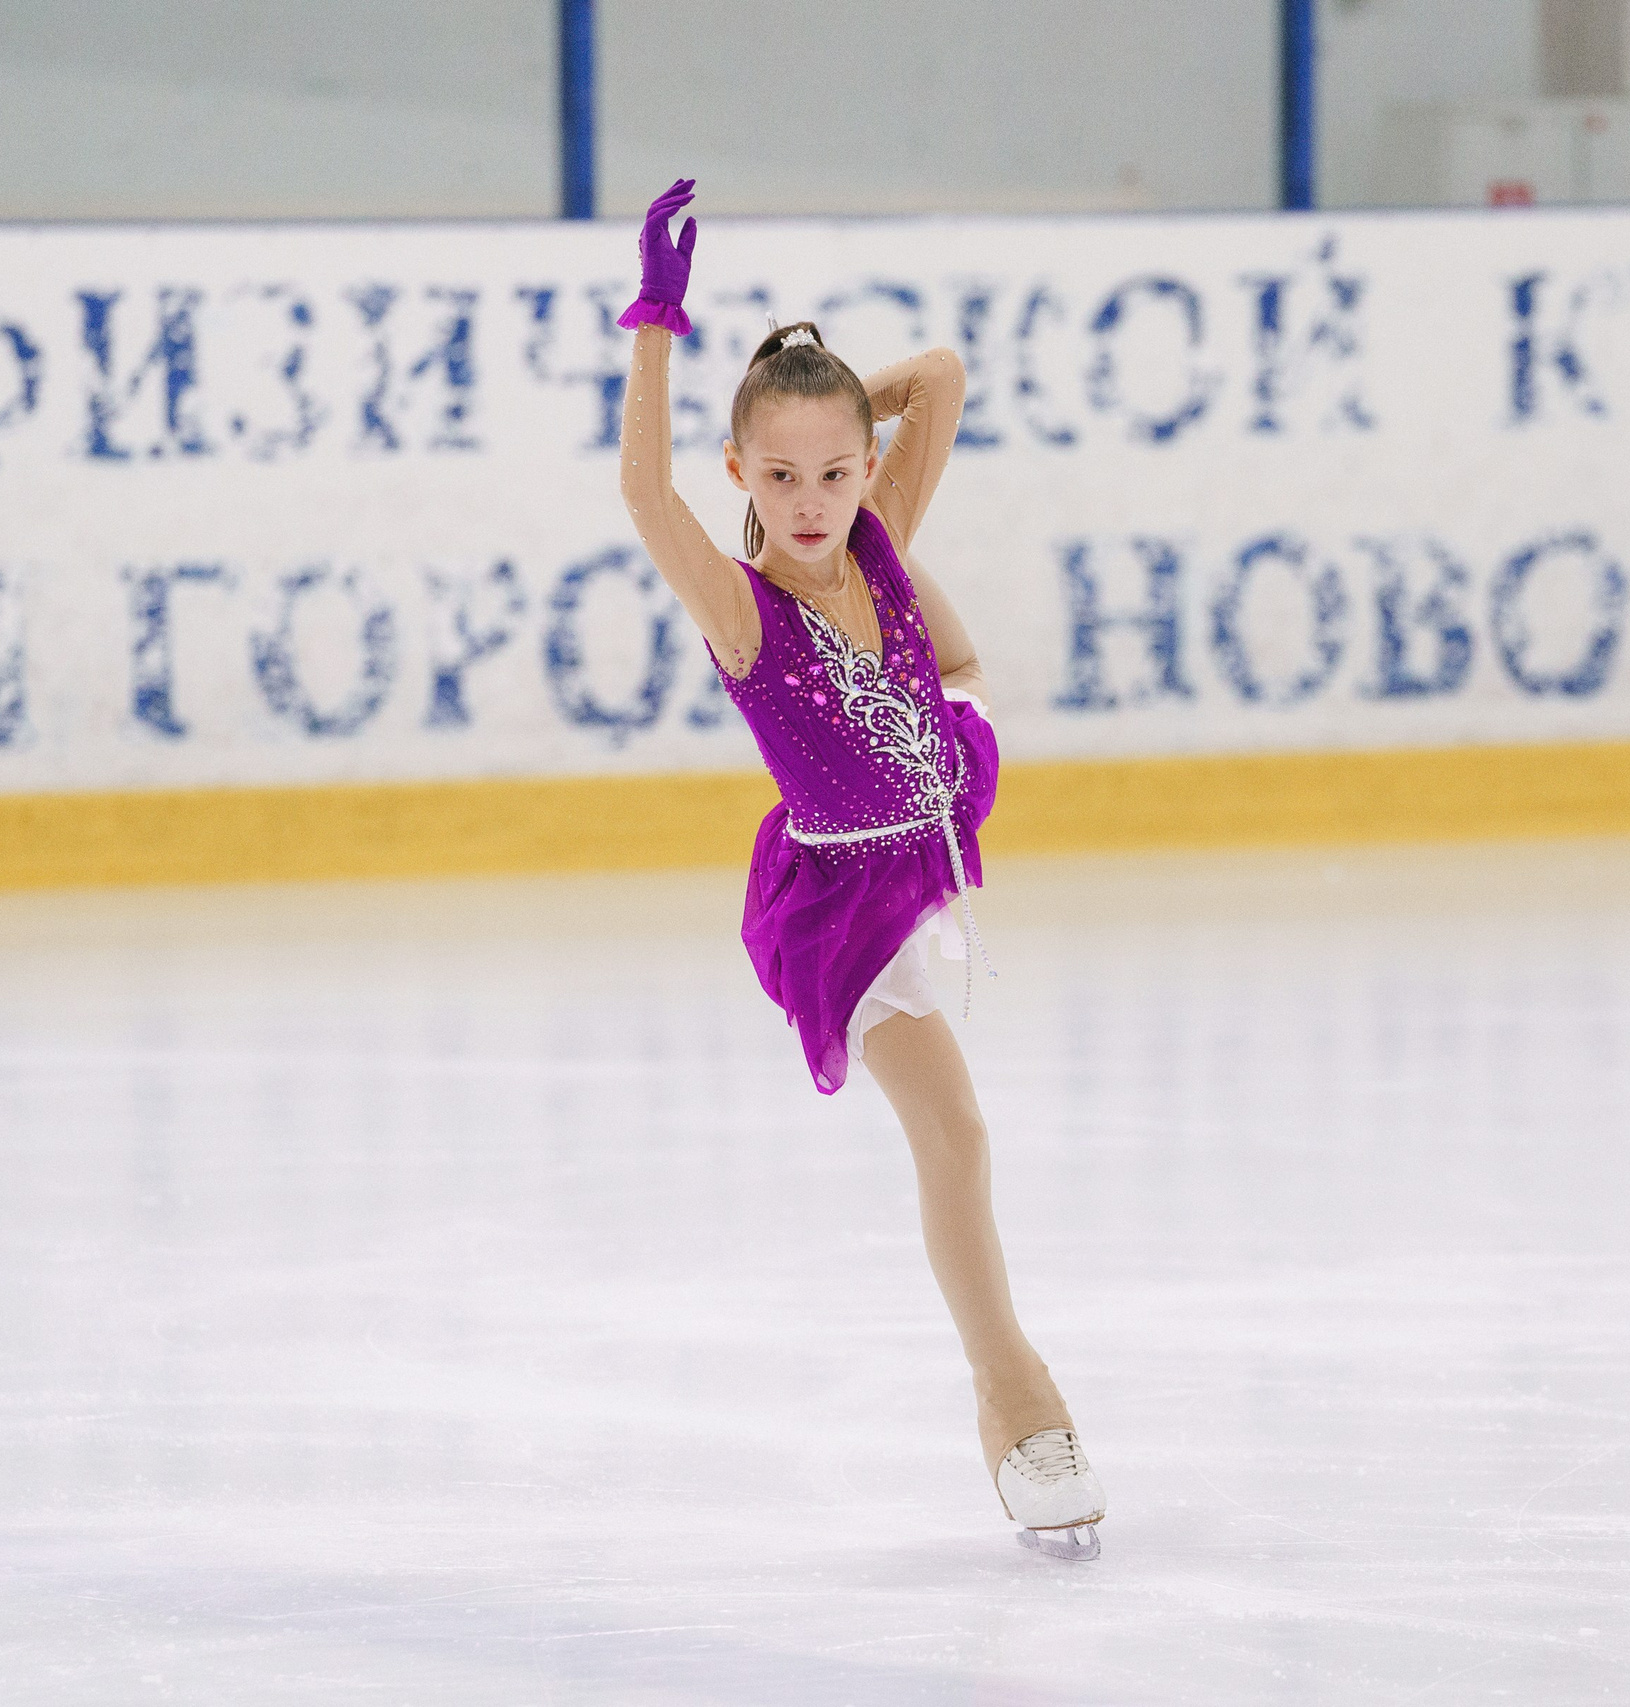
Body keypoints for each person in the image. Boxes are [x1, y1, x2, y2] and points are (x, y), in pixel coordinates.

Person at [614, 179, 1105, 1560]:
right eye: (777, 476)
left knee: (962, 1135)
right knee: (956, 1135)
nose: (815, 501)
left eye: (835, 472)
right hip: (842, 903)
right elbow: (643, 490)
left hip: (946, 770)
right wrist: (659, 323)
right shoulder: (742, 611)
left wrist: (820, 410)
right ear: (738, 476)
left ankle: (1010, 1394)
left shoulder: (872, 525)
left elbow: (938, 376)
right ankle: (1014, 1398)